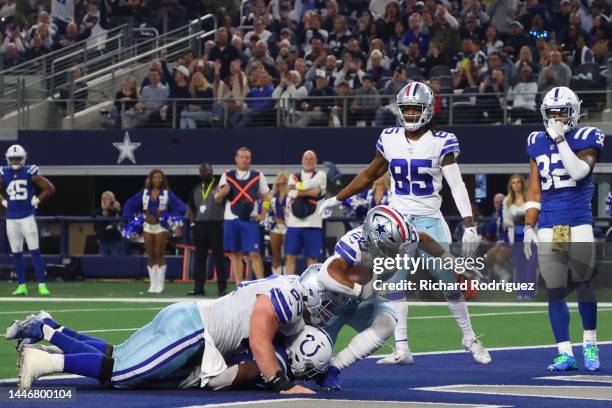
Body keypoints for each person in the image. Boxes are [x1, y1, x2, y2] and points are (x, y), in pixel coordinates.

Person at [318, 81, 490, 366]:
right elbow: (369, 174)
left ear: (427, 110)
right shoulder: (390, 137)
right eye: (406, 108)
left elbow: (457, 185)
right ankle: (401, 348)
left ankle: (469, 337)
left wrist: (470, 224)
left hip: (429, 219)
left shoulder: (441, 141)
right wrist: (337, 197)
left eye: (415, 108)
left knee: (449, 283)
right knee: (393, 283)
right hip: (396, 220)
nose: (410, 114)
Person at [7, 274, 318, 395]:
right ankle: (42, 362)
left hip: (187, 315)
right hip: (193, 330)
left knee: (116, 355)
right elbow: (257, 343)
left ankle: (47, 327)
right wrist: (283, 385)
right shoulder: (289, 300)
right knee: (121, 374)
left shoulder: (288, 283)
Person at [311, 205, 481, 390]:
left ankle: (335, 369)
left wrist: (449, 258)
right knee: (313, 356)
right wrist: (360, 291)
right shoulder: (354, 242)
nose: (399, 253)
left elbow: (421, 237)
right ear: (372, 239)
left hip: (360, 299)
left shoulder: (404, 236)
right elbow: (326, 274)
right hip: (332, 301)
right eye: (391, 248)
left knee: (387, 324)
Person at [523, 86, 604, 371]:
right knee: (555, 288)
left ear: (574, 112)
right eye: (552, 113)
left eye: (562, 112)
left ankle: (590, 343)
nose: (556, 117)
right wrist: (529, 224)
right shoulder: (535, 141)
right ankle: (565, 352)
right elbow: (535, 189)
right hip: (551, 225)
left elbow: (579, 171)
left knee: (583, 283)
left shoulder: (587, 136)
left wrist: (559, 140)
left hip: (578, 220)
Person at [0, 145, 55, 296]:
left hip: (27, 216)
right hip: (11, 217)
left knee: (34, 251)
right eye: (12, 158)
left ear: (23, 158)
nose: (15, 161)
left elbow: (50, 188)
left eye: (18, 158)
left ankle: (42, 284)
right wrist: (2, 200)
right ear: (8, 159)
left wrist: (37, 200)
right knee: (16, 252)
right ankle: (21, 285)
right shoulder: (3, 171)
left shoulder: (30, 171)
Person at [124, 169, 187, 293]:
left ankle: (160, 284)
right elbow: (129, 204)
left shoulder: (167, 193)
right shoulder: (144, 193)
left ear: (163, 179)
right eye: (155, 177)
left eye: (159, 177)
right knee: (150, 254)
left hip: (161, 227)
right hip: (147, 226)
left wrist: (167, 215)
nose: (157, 180)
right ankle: (152, 285)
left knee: (159, 253)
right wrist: (135, 217)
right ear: (151, 179)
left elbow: (181, 207)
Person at [215, 147, 271, 283]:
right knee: (235, 254)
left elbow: (267, 197)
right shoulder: (226, 176)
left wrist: (263, 214)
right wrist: (220, 194)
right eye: (241, 157)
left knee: (254, 253)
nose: (244, 160)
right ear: (236, 159)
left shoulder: (258, 175)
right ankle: (239, 287)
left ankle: (261, 286)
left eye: (247, 157)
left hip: (250, 220)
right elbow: (217, 199)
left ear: (250, 160)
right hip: (231, 219)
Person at [187, 163, 227, 297]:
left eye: (206, 170)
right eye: (201, 171)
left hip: (216, 225)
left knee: (219, 258)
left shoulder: (220, 188)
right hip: (200, 226)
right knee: (200, 258)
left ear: (211, 171)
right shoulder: (195, 189)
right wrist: (193, 223)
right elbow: (191, 207)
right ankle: (198, 288)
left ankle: (222, 288)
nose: (204, 173)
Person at [284, 151, 327, 275]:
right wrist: (309, 192)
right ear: (302, 160)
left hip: (313, 225)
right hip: (293, 224)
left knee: (312, 259)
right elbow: (290, 192)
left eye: (311, 159)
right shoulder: (294, 175)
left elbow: (312, 185)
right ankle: (288, 287)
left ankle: (312, 287)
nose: (308, 161)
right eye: (306, 158)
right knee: (290, 257)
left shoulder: (321, 175)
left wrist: (296, 189)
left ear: (315, 161)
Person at [503, 174, 537, 300]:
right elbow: (505, 222)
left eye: (518, 182)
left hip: (530, 236)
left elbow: (536, 216)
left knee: (531, 265)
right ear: (511, 185)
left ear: (522, 184)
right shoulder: (507, 201)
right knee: (519, 265)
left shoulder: (530, 198)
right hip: (516, 238)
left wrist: (526, 221)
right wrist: (515, 221)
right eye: (513, 183)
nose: (516, 185)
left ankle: (529, 293)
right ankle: (520, 292)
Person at [92, 191, 124, 256]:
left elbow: (121, 219)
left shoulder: (115, 210)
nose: (104, 200)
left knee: (115, 260)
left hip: (114, 240)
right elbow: (92, 214)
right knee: (102, 261)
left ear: (112, 200)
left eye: (107, 198)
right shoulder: (99, 211)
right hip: (103, 240)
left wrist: (117, 209)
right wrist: (104, 210)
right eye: (103, 198)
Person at [268, 172, 289, 275]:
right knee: (276, 256)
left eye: (283, 175)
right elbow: (269, 213)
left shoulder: (291, 195)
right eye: (279, 176)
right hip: (275, 228)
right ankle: (275, 279)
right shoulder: (273, 196)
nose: (281, 177)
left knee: (288, 255)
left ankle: (286, 279)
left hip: (288, 228)